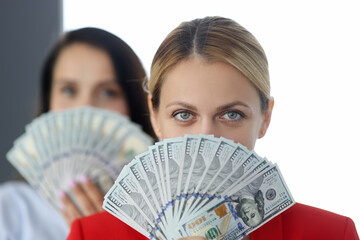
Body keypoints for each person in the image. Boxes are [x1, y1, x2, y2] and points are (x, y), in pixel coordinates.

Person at [67, 17, 359, 240]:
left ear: (265, 118)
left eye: (231, 114)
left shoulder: (331, 233)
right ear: (155, 117)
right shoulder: (91, 235)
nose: (206, 137)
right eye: (184, 114)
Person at [0, 27, 155, 240]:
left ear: (133, 104)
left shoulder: (164, 211)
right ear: (48, 102)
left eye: (108, 92)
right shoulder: (10, 209)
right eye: (69, 90)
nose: (85, 107)